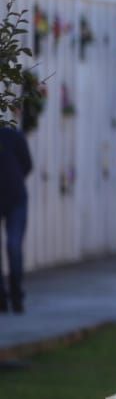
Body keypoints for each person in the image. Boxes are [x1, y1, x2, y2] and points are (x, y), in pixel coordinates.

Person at [0, 119, 31, 313]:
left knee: (13, 246)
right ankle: (1, 298)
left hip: (16, 198)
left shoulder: (13, 136)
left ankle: (16, 295)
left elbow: (27, 164)